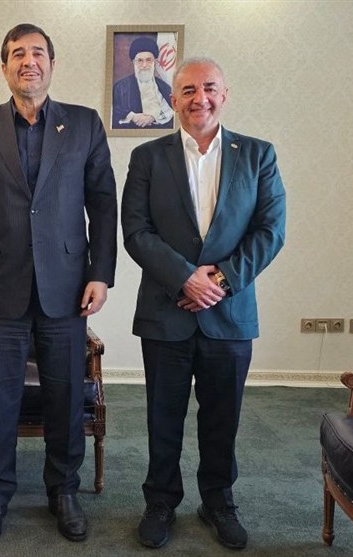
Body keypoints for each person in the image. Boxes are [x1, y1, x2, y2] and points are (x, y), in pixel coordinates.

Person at [0, 23, 117, 546]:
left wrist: (101, 273)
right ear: (4, 67)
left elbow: (103, 204)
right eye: (17, 54)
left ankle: (62, 490)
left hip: (67, 288)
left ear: (52, 64)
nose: (29, 61)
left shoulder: (84, 124)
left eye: (38, 52)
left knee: (66, 396)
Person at [121, 57, 286, 550]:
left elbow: (270, 231)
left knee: (222, 419)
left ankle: (218, 501)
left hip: (230, 315)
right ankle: (160, 501)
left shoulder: (258, 155)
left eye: (209, 88)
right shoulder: (148, 157)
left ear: (225, 94)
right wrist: (184, 279)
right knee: (162, 417)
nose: (200, 99)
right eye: (189, 90)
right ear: (173, 100)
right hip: (165, 311)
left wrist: (220, 280)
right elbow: (136, 231)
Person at [112, 37, 174, 130]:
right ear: (134, 62)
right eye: (140, 60)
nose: (144, 65)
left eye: (148, 60)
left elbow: (172, 111)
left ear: (155, 62)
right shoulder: (120, 88)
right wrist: (133, 116)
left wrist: (153, 117)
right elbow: (114, 112)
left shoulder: (164, 87)